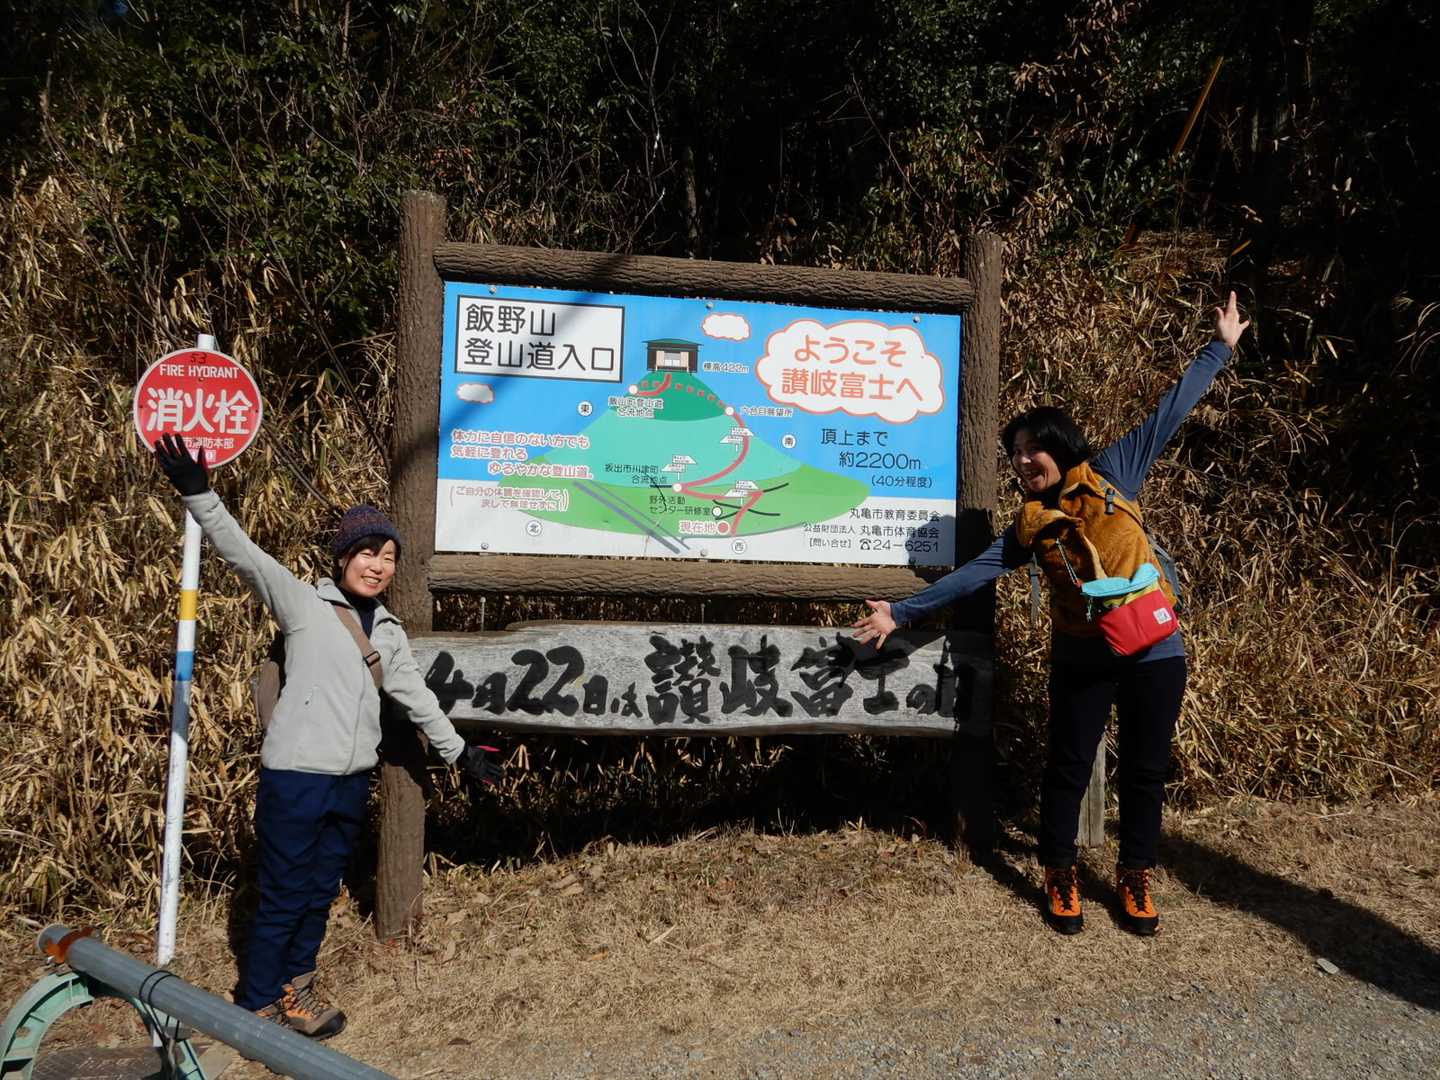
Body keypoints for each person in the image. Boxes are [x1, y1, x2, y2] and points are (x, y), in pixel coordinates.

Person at [852, 293, 1250, 936]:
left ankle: (1135, 874)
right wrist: (902, 611)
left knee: (1147, 769)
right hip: (1082, 652)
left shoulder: (1114, 472)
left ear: (1060, 446)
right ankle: (1060, 872)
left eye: (1031, 447)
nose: (1021, 460)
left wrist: (1220, 348)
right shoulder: (1030, 524)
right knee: (1068, 766)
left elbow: (1170, 412)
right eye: (1014, 452)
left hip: (1154, 647)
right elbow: (977, 571)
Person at [152, 434, 501, 1036]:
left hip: (350, 781)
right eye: (367, 552)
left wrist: (460, 752)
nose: (378, 565)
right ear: (343, 558)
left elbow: (416, 697)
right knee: (285, 893)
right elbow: (244, 554)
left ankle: (296, 989)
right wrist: (199, 494)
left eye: (388, 556)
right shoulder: (303, 605)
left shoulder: (388, 631)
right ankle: (257, 1002)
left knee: (318, 893)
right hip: (297, 777)